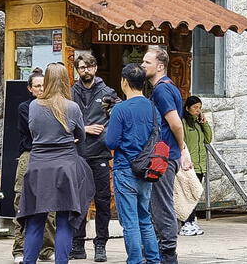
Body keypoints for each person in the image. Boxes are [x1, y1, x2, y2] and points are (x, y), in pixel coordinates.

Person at [17, 63, 95, 264]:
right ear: (66, 80)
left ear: (47, 80)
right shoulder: (72, 107)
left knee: (35, 220)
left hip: (38, 166)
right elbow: (81, 136)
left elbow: (33, 133)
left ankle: (28, 261)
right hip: (65, 167)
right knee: (64, 221)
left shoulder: (34, 106)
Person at [105, 64, 161, 264]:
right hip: (146, 170)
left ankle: (135, 260)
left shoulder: (120, 109)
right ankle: (154, 260)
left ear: (124, 82)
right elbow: (158, 136)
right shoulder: (153, 108)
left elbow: (110, 142)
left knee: (130, 222)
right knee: (144, 218)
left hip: (125, 168)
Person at [141, 46, 192, 264]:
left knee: (161, 205)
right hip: (166, 154)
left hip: (163, 156)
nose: (142, 66)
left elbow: (175, 123)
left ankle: (168, 253)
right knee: (160, 204)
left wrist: (181, 148)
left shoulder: (162, 90)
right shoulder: (169, 87)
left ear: (160, 66)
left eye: (147, 62)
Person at [70, 53, 119, 262]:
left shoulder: (108, 93)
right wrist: (84, 128)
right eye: (81, 68)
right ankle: (78, 244)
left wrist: (109, 136)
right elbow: (63, 120)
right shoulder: (71, 92)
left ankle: (101, 244)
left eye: (89, 67)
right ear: (77, 70)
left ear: (95, 68)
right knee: (78, 200)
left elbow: (119, 115)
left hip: (99, 152)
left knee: (102, 200)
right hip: (78, 153)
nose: (85, 71)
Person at [12, 68, 56, 263]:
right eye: (37, 86)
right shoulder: (25, 107)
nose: (41, 89)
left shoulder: (55, 106)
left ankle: (47, 249)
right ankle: (19, 249)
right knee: (22, 202)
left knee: (50, 205)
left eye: (43, 85)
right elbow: (34, 130)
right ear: (30, 88)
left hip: (49, 156)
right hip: (29, 155)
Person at [179, 96, 212, 236]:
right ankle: (187, 221)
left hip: (200, 164)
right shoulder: (184, 123)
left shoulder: (198, 123)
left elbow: (208, 138)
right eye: (195, 108)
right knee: (189, 194)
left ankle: (192, 221)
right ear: (187, 108)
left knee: (196, 194)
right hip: (189, 164)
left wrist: (204, 123)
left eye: (200, 108)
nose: (198, 111)